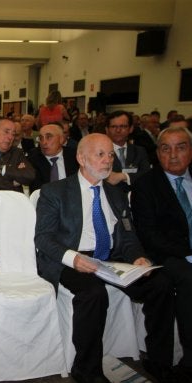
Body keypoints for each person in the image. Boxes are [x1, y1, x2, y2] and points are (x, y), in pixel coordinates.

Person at [35, 133, 176, 383]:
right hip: (73, 260)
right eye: (100, 154)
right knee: (93, 293)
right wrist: (74, 258)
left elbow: (129, 237)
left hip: (112, 258)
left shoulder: (116, 194)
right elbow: (43, 239)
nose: (107, 160)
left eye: (110, 154)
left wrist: (138, 258)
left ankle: (158, 361)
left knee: (160, 283)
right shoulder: (55, 192)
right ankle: (87, 370)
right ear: (81, 157)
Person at [131, 125, 192, 381]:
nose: (173, 155)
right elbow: (149, 235)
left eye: (181, 147)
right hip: (169, 253)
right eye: (166, 149)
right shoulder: (146, 185)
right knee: (187, 279)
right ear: (157, 153)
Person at [104, 110, 150, 191]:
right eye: (113, 127)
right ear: (107, 130)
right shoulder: (99, 152)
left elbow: (146, 174)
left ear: (131, 129)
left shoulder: (139, 151)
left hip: (136, 197)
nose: (118, 130)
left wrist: (124, 176)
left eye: (123, 126)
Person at [27, 123, 78, 193]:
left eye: (48, 137)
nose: (44, 142)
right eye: (41, 138)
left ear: (61, 139)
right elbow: (36, 188)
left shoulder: (75, 157)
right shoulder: (33, 158)